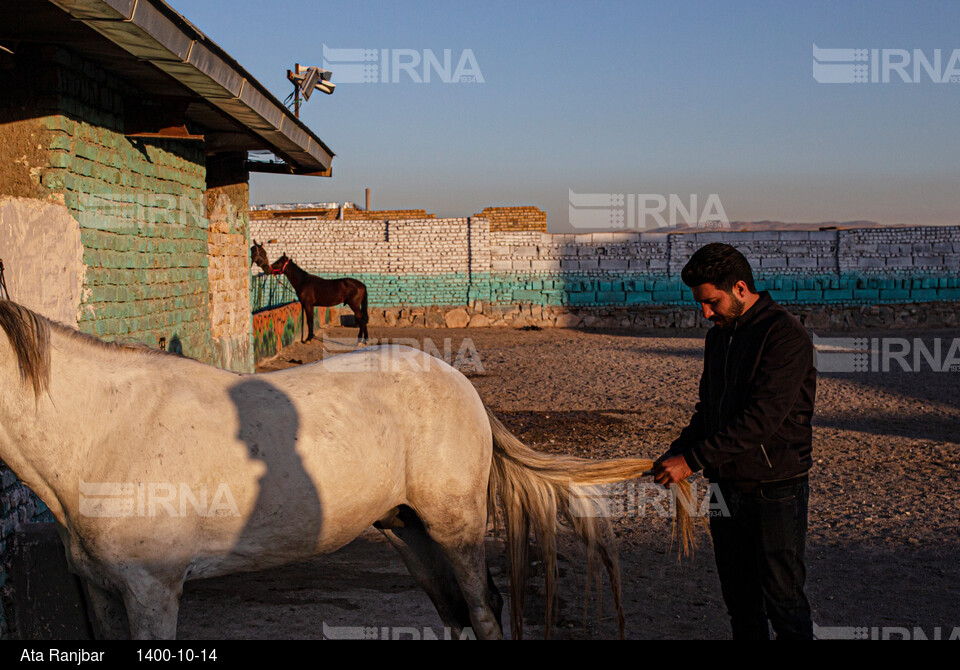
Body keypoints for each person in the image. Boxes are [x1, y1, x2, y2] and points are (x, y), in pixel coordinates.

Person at [653, 242, 816, 640]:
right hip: (723, 489)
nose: (706, 313)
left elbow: (759, 422)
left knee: (784, 602)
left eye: (712, 302)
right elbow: (708, 411)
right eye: (701, 304)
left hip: (774, 490)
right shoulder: (719, 337)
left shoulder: (785, 336)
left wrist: (691, 460)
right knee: (740, 604)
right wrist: (678, 449)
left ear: (740, 288)